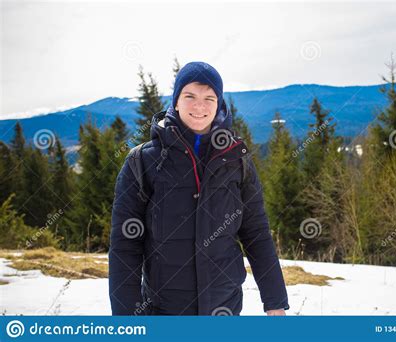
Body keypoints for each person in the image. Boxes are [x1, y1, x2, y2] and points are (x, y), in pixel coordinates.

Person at [109, 61, 289, 316]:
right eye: (190, 96)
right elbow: (124, 248)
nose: (199, 106)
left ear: (219, 103)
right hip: (164, 313)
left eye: (209, 98)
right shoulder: (142, 162)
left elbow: (257, 234)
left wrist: (275, 302)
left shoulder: (237, 159)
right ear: (176, 100)